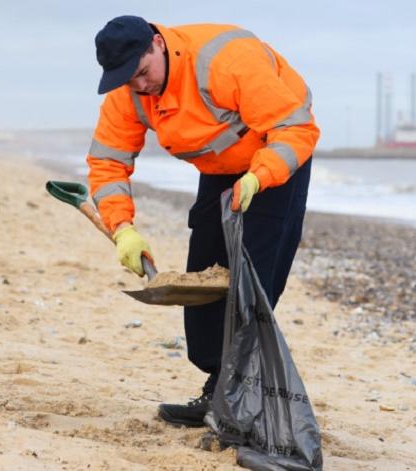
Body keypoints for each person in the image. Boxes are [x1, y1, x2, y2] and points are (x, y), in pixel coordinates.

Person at [87, 16, 319, 427]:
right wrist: (122, 228)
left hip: (276, 155)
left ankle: (240, 405)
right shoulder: (130, 90)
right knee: (205, 280)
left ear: (157, 44)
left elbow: (294, 128)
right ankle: (217, 388)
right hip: (219, 166)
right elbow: (108, 162)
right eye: (128, 80)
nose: (140, 86)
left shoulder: (226, 60)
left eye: (142, 73)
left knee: (252, 283)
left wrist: (259, 177)